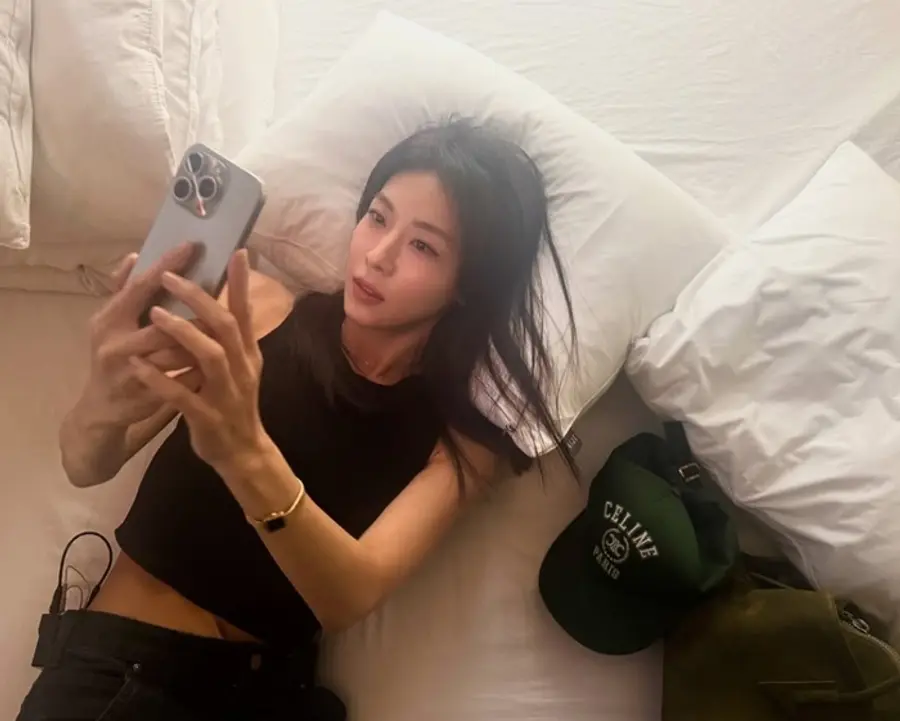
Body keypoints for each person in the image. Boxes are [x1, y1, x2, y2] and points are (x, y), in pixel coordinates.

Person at [17, 119, 577, 721]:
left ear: (468, 283)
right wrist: (103, 403)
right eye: (378, 217)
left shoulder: (462, 441)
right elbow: (85, 463)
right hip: (125, 674)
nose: (378, 255)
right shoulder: (254, 308)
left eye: (424, 247)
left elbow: (350, 596)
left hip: (272, 697)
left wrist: (244, 454)